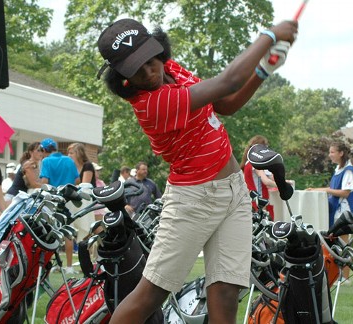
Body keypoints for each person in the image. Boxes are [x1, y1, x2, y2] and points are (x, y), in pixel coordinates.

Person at [97, 17, 297, 323]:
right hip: (193, 200)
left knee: (226, 291)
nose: (150, 72)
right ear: (123, 78)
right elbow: (227, 81)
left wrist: (262, 71)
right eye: (137, 70)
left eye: (151, 60)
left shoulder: (172, 70)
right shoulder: (152, 104)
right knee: (152, 292)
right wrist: (269, 36)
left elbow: (225, 103)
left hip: (234, 193)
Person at [308, 141, 353, 284]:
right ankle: (337, 274)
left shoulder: (348, 170)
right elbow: (331, 188)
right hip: (335, 210)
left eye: (332, 152)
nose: (330, 155)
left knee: (343, 243)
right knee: (335, 243)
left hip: (343, 211)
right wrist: (316, 190)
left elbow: (345, 192)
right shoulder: (338, 169)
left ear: (341, 153)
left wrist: (326, 190)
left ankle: (345, 277)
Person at [39, 138, 80, 274]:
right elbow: (77, 180)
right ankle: (68, 266)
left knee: (50, 232)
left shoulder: (46, 161)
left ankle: (53, 264)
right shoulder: (69, 160)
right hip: (68, 200)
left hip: (53, 201)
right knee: (68, 232)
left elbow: (45, 181)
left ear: (44, 150)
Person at [240, 135, 277, 219]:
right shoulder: (256, 164)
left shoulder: (247, 163)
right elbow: (266, 181)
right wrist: (282, 185)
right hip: (259, 201)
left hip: (251, 200)